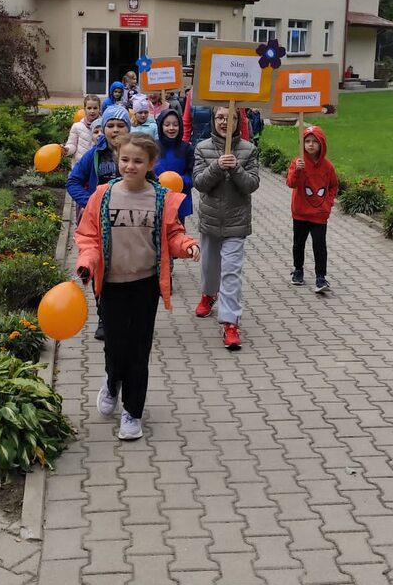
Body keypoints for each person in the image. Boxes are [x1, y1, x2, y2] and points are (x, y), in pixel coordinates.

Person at [76, 134, 200, 440]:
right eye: (125, 159)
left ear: (151, 164)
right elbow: (89, 236)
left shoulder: (160, 198)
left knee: (138, 350)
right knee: (115, 346)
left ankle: (132, 412)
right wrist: (87, 262)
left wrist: (187, 245)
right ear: (117, 159)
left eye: (138, 161)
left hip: (145, 285)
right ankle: (112, 382)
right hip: (112, 285)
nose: (130, 166)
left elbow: (173, 233)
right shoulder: (103, 195)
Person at [192, 106, 260, 350]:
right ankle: (209, 294)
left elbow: (252, 184)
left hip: (236, 222)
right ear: (213, 120)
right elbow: (199, 183)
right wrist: (217, 166)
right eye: (219, 117)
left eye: (230, 118)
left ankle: (231, 323)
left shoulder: (249, 149)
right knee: (210, 266)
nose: (224, 122)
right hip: (210, 220)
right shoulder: (202, 148)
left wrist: (236, 168)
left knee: (231, 272)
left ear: (238, 121)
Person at [67, 104, 132, 337]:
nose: (115, 130)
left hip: (129, 225)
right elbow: (73, 182)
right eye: (110, 125)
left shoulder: (137, 153)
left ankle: (126, 316)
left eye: (120, 125)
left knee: (126, 270)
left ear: (129, 128)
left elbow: (153, 184)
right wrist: (91, 202)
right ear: (103, 129)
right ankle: (104, 318)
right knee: (101, 271)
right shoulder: (94, 154)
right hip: (100, 225)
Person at [286, 125, 338, 293]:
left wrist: (328, 202)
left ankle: (320, 276)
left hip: (319, 214)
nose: (310, 144)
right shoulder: (297, 162)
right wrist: (297, 171)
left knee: (319, 246)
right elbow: (291, 183)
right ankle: (298, 270)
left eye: (315, 142)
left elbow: (333, 185)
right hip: (300, 212)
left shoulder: (327, 166)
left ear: (321, 144)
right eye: (307, 141)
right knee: (298, 244)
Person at [156, 108, 193, 221]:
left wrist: (179, 182)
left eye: (175, 125)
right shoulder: (153, 147)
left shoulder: (187, 148)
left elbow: (192, 173)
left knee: (177, 230)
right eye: (167, 125)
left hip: (179, 199)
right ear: (161, 126)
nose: (171, 128)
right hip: (157, 199)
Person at [63, 95, 102, 165]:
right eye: (89, 108)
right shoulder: (77, 126)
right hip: (80, 165)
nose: (92, 111)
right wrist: (67, 149)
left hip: (97, 165)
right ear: (84, 109)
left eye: (95, 108)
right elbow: (72, 144)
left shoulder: (105, 126)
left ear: (99, 109)